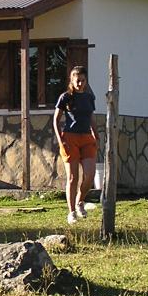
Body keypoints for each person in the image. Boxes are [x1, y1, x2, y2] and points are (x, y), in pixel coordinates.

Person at [53, 66, 98, 225]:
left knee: (90, 174)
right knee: (73, 177)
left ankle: (80, 201)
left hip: (87, 138)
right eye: (77, 80)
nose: (80, 83)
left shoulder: (89, 97)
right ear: (72, 80)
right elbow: (56, 120)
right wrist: (61, 140)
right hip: (70, 138)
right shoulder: (65, 97)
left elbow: (92, 118)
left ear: (86, 81)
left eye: (83, 80)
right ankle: (71, 212)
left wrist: (96, 135)